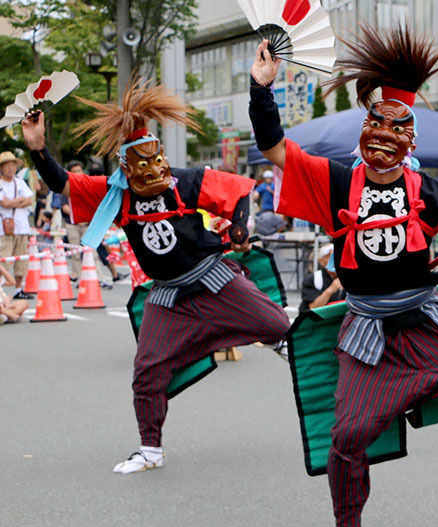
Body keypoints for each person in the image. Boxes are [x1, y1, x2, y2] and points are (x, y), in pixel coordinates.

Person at [249, 23, 438, 527]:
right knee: (349, 434)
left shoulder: (427, 190)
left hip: (427, 319)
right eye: (374, 124)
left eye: (395, 128)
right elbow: (275, 150)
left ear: (412, 141)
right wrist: (262, 88)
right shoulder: (333, 182)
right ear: (363, 128)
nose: (383, 135)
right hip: (368, 332)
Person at [22, 83, 290, 474]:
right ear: (125, 167)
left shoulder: (183, 180)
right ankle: (150, 450)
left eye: (155, 160)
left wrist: (240, 226)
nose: (150, 170)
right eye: (140, 164)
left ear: (162, 156)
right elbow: (62, 183)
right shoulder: (116, 195)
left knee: (278, 324)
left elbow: (238, 190)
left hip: (212, 276)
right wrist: (38, 146)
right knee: (147, 369)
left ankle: (307, 365)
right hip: (167, 295)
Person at [0, 151, 35, 300]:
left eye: (13, 165)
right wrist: (19, 200)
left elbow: (29, 201)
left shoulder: (20, 182)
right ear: (1, 167)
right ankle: (2, 290)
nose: (11, 168)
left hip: (22, 226)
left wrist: (13, 202)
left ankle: (18, 288)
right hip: (3, 228)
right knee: (4, 258)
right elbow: (4, 203)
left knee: (21, 259)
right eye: (7, 165)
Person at [300, 244, 346, 311]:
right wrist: (331, 290)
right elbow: (313, 307)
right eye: (330, 257)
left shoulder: (348, 278)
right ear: (321, 261)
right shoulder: (314, 279)